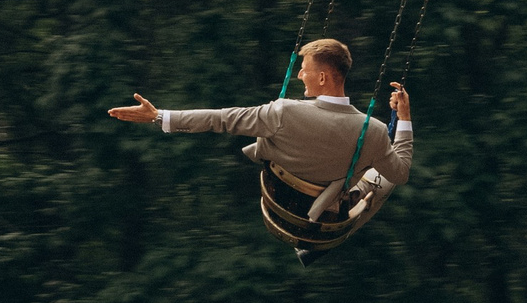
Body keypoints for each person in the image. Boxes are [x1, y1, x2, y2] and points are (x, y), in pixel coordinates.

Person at [107, 37, 412, 258]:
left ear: (322, 77)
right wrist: (403, 118)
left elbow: (222, 119)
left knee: (370, 167)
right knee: (381, 178)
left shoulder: (285, 113)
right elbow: (400, 173)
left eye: (303, 69)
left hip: (280, 202)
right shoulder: (371, 131)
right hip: (326, 214)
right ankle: (318, 245)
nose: (298, 75)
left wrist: (159, 116)